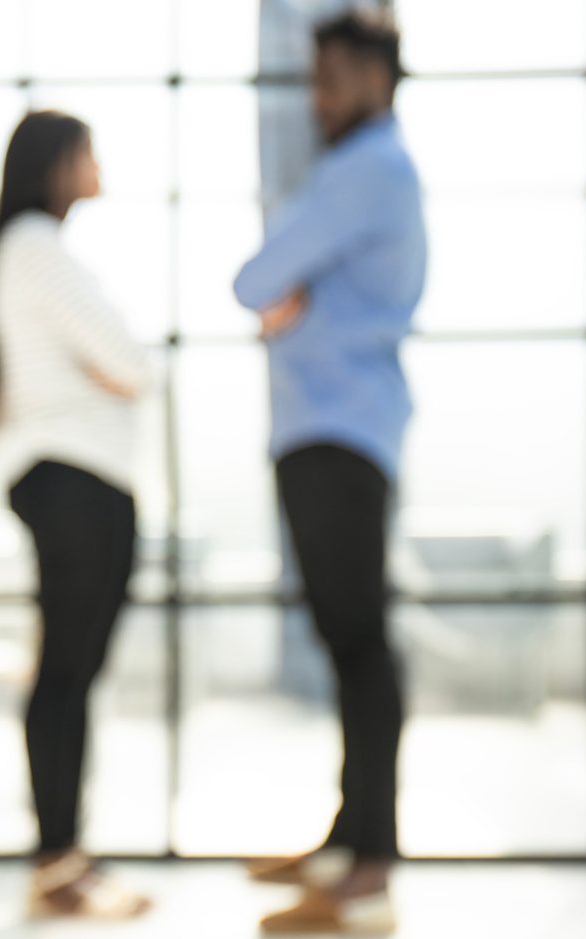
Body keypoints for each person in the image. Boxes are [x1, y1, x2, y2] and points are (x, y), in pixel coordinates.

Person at [234, 11, 427, 935]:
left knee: (359, 640)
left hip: (341, 431)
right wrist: (294, 290)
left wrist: (288, 289)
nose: (317, 99)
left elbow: (254, 277)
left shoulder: (365, 171)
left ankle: (369, 867)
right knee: (350, 640)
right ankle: (350, 839)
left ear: (376, 79)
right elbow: (277, 282)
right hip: (338, 427)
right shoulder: (363, 171)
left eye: (331, 81)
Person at [0, 110, 151, 920]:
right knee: (64, 674)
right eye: (89, 151)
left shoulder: (35, 252)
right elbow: (129, 361)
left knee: (71, 673)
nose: (99, 164)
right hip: (73, 476)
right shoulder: (35, 250)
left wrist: (111, 368)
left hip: (80, 476)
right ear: (55, 165)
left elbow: (120, 366)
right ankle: (58, 861)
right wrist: (110, 369)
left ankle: (65, 854)